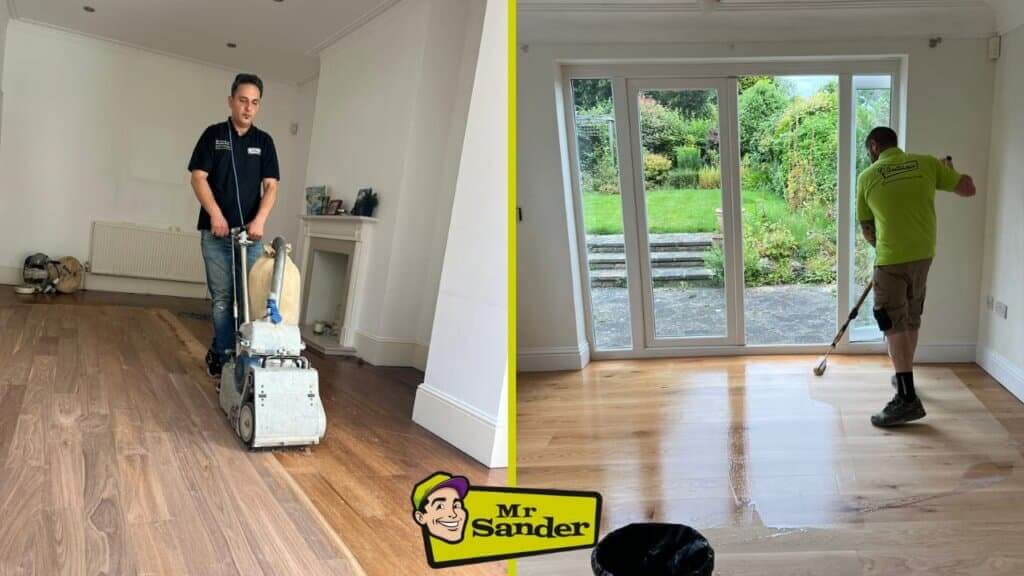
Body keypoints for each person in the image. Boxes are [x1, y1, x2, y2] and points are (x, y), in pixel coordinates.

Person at [857, 126, 976, 427]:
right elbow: (968, 189)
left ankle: (907, 398)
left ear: (873, 146)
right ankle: (904, 377)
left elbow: (867, 229)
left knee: (891, 321)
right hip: (923, 256)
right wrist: (948, 170)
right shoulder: (927, 164)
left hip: (890, 259)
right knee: (911, 316)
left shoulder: (867, 178)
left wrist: (883, 251)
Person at [188, 73, 280, 377]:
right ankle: (226, 357)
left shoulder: (264, 142)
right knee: (223, 299)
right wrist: (215, 214)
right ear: (231, 101)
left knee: (248, 299)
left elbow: (271, 187)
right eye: (243, 100)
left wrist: (260, 220)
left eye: (254, 103)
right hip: (216, 235)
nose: (248, 108)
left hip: (249, 236)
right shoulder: (213, 135)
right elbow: (198, 178)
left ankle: (233, 354)